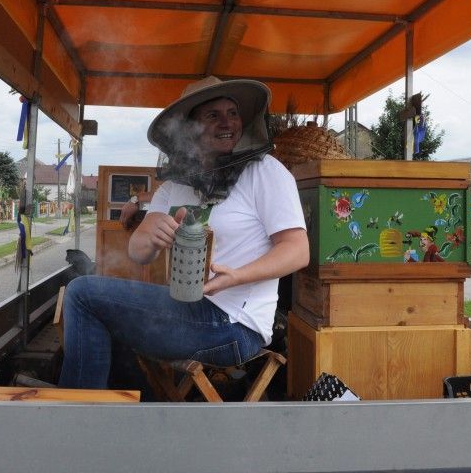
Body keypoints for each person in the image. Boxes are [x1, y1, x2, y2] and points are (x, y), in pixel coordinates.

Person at [58, 76, 309, 389]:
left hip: (233, 324)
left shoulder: (265, 172)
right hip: (184, 310)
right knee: (99, 310)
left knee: (82, 295)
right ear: (189, 128)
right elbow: (138, 252)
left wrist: (235, 277)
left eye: (232, 113)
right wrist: (148, 230)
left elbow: (298, 249)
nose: (226, 122)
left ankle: (74, 418)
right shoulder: (174, 187)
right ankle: (134, 413)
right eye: (212, 115)